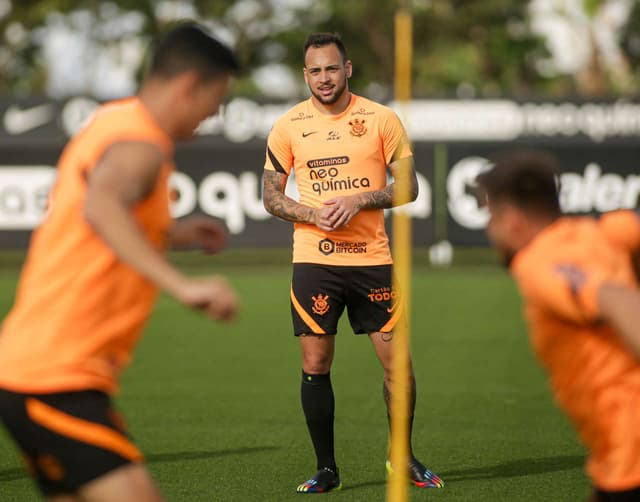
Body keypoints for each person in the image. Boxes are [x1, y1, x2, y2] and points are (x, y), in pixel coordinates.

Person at [0, 23, 240, 502]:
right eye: (215, 101)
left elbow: (92, 214)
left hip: (38, 368)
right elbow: (102, 206)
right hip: (54, 375)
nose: (213, 115)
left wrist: (173, 232)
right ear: (189, 85)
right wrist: (184, 286)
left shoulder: (115, 121)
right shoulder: (142, 143)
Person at [262, 32, 443, 494]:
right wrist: (312, 213)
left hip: (372, 260)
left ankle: (401, 457)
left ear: (348, 70)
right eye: (315, 71)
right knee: (316, 361)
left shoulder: (381, 119)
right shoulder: (287, 126)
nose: (324, 78)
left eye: (331, 68)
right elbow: (270, 196)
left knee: (397, 363)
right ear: (306, 75)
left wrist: (361, 198)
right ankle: (326, 468)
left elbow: (409, 187)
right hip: (314, 261)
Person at [476, 150, 640, 502]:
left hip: (631, 453)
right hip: (614, 460)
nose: (490, 232)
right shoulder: (599, 231)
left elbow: (611, 297)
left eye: (491, 219)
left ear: (513, 220)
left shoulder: (539, 266)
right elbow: (629, 229)